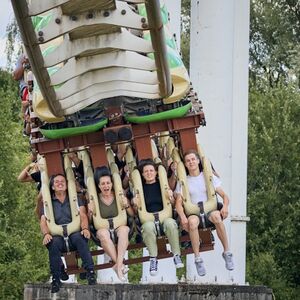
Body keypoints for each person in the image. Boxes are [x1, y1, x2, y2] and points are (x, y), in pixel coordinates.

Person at [175, 149, 234, 277]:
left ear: (197, 161)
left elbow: (224, 195)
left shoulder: (208, 177)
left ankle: (227, 252)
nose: (191, 162)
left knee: (217, 216)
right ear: (185, 164)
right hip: (194, 213)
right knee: (192, 222)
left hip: (209, 212)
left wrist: (225, 206)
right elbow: (178, 203)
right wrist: (183, 217)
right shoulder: (184, 181)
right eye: (188, 161)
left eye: (193, 159)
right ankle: (197, 258)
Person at [40, 174, 96, 293]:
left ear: (66, 185)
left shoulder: (75, 199)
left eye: (62, 181)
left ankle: (90, 272)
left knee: (80, 238)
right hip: (57, 235)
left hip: (73, 233)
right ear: (53, 187)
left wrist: (85, 228)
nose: (60, 183)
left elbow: (83, 215)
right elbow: (43, 221)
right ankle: (56, 278)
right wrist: (46, 234)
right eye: (56, 182)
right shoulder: (47, 202)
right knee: (53, 243)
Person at [134, 160, 184, 276]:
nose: (149, 173)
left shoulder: (162, 185)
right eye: (146, 171)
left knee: (171, 223)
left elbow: (171, 203)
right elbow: (137, 209)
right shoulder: (140, 189)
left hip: (164, 217)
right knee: (147, 227)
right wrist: (135, 203)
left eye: (151, 170)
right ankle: (153, 258)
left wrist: (171, 198)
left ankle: (176, 255)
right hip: (148, 219)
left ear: (156, 172)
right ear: (142, 174)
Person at [92, 166, 134, 282]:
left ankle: (118, 265)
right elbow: (91, 218)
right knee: (103, 234)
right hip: (103, 228)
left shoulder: (119, 195)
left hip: (119, 227)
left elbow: (131, 213)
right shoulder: (94, 198)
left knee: (124, 230)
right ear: (99, 186)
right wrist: (90, 210)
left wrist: (126, 204)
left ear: (112, 183)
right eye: (103, 184)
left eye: (108, 183)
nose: (106, 186)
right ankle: (120, 265)